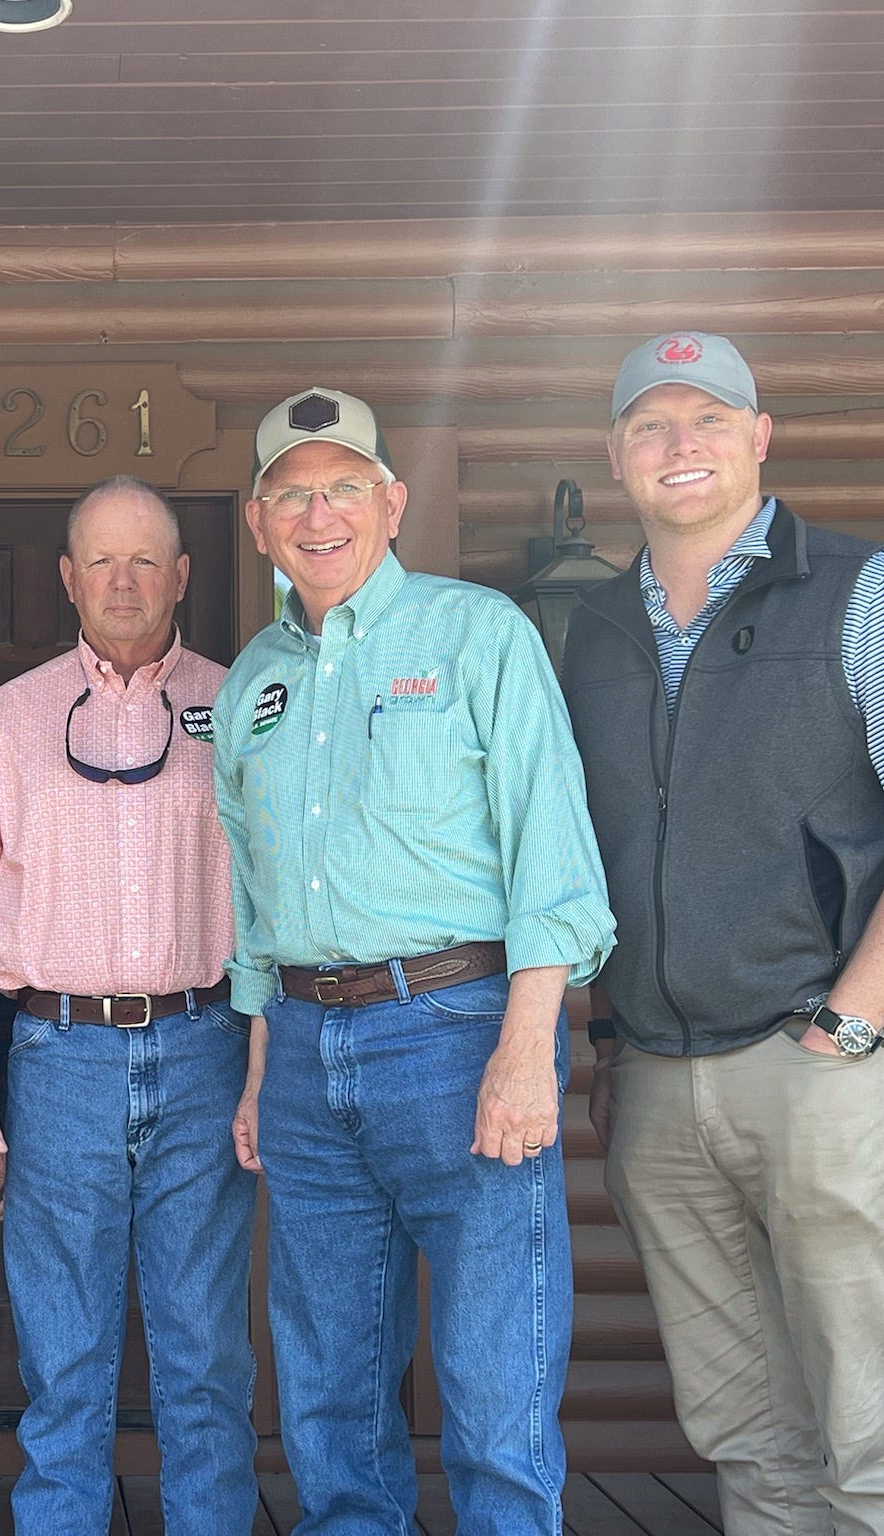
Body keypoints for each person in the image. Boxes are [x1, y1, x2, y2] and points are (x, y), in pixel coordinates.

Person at [563, 332, 884, 1535]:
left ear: (759, 438)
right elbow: (599, 856)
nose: (678, 444)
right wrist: (610, 1047)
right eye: (650, 425)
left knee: (864, 1430)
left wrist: (846, 1026)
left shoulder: (864, 588)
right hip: (653, 1078)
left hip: (819, 1068)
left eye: (707, 418)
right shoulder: (594, 629)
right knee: (744, 1436)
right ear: (615, 457)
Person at [216, 388, 615, 1535]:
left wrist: (526, 1052)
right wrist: (256, 1070)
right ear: (256, 521)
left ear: (389, 503)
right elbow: (254, 903)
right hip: (299, 1052)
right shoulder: (250, 684)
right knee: (331, 1402)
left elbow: (553, 853)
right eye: (290, 491)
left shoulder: (477, 633)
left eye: (342, 485)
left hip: (455, 1033)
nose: (316, 511)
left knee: (494, 1394)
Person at [0, 475, 257, 1536]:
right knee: (61, 1359)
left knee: (203, 1356)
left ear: (182, 575)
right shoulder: (12, 717)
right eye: (101, 561)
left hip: (205, 1044)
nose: (123, 581)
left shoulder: (245, 700)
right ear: (67, 579)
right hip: (55, 1054)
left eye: (144, 559)